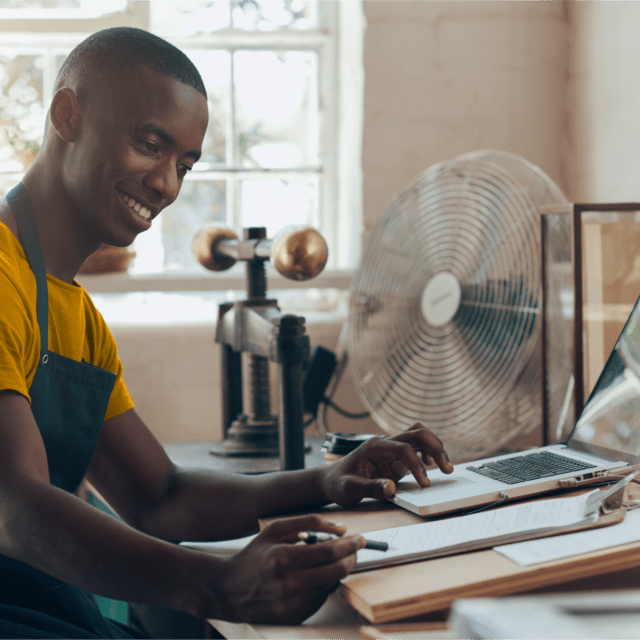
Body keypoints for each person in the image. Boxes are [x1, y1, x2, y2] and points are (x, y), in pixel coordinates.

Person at [0, 27, 453, 640]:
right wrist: (220, 584)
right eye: (149, 144)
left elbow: (159, 496)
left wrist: (328, 479)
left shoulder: (76, 318)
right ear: (66, 114)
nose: (166, 184)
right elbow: (15, 509)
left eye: (184, 164)